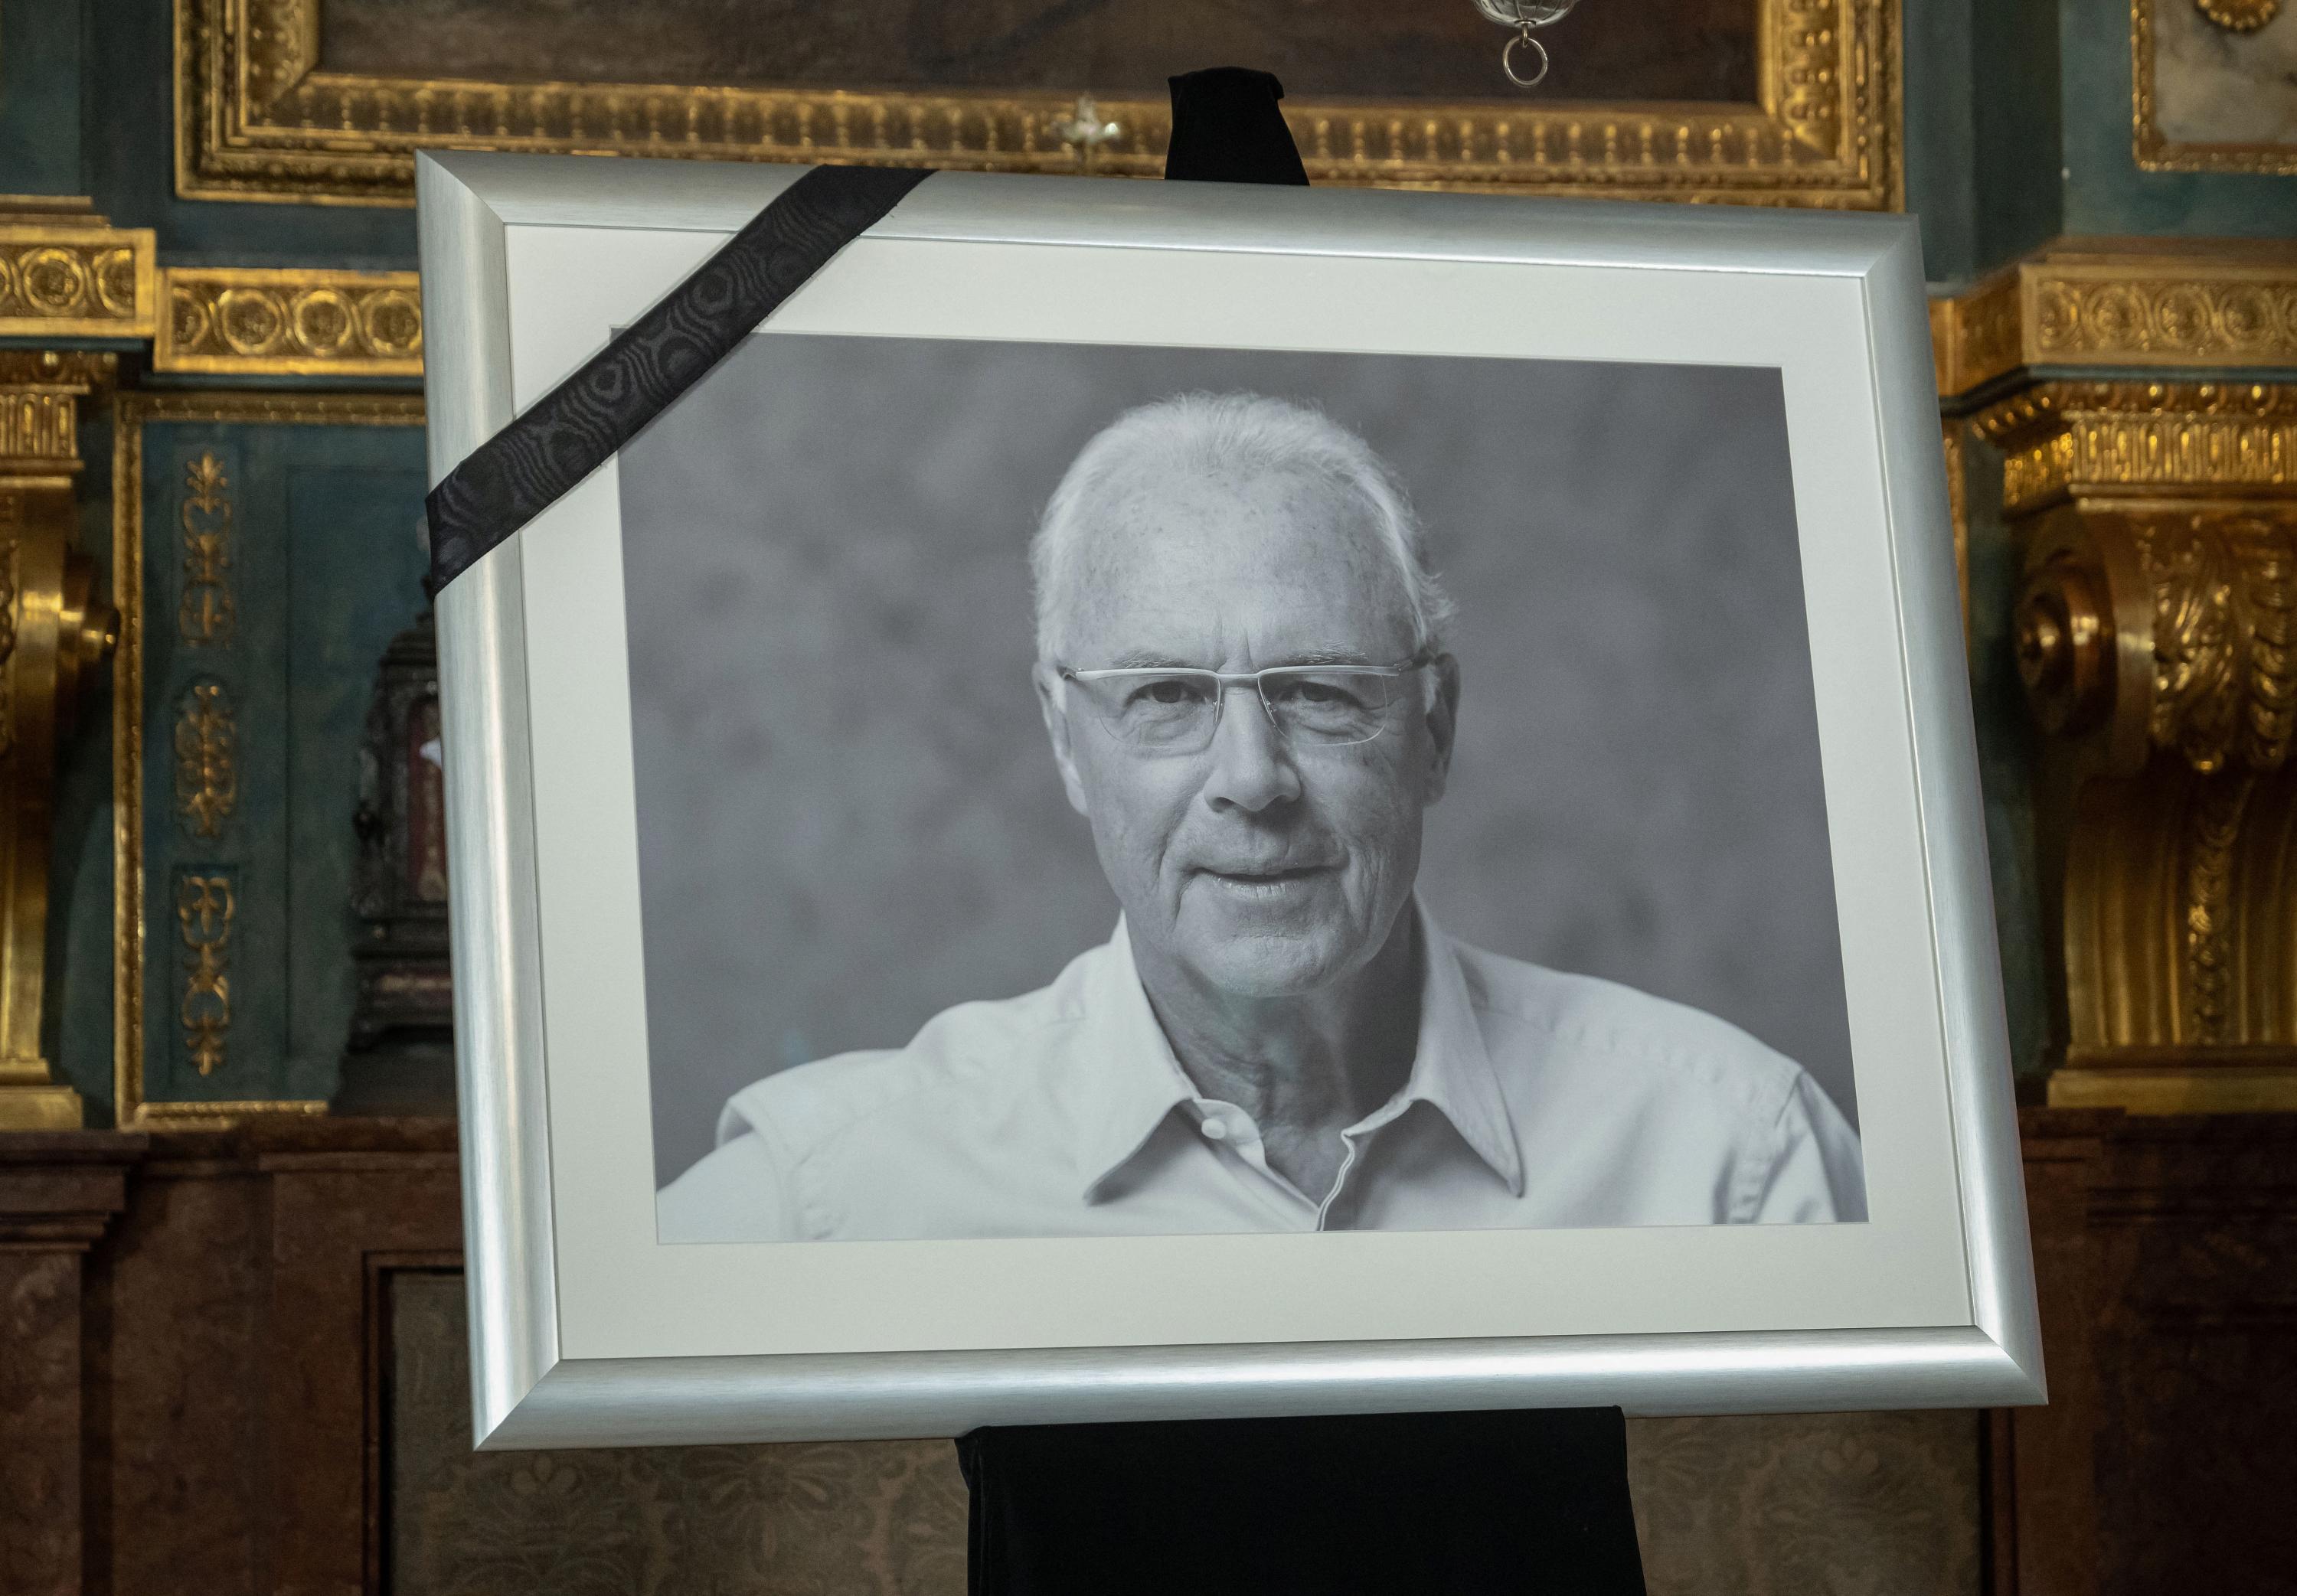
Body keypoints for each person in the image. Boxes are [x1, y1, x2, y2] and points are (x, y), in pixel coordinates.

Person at [658, 392, 1864, 1242]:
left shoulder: (1733, 1155)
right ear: (1065, 739)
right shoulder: (828, 1194)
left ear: (1433, 728)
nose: (1253, 777)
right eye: (1167, 696)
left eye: (1320, 691)